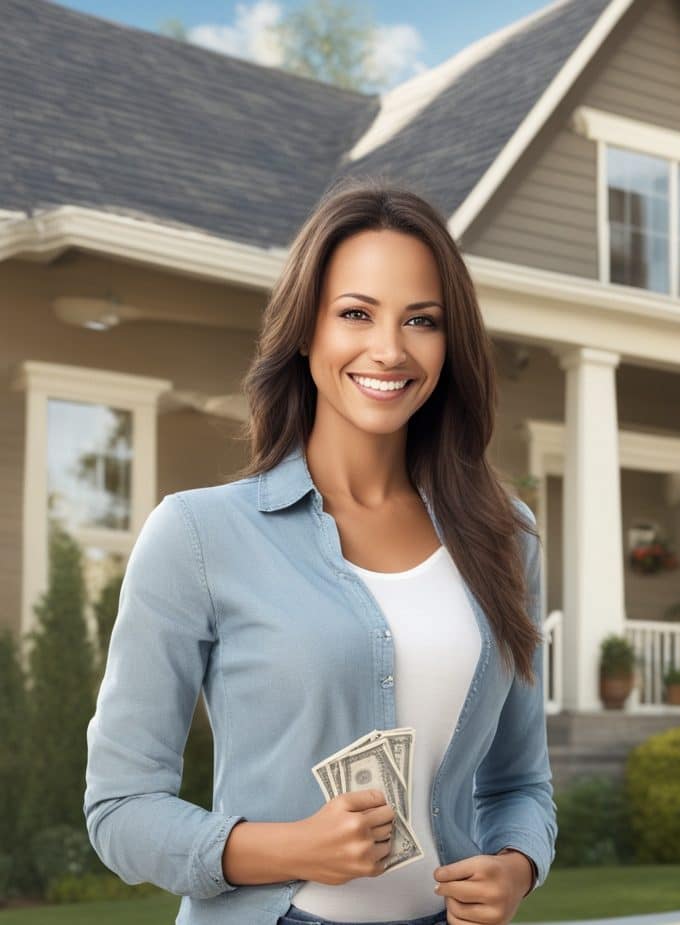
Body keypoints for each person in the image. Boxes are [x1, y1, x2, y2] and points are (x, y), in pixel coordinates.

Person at [84, 175, 557, 925]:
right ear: (307, 329)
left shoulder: (507, 538)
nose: (389, 349)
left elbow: (519, 782)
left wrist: (515, 868)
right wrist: (289, 847)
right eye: (356, 313)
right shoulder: (199, 536)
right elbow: (120, 808)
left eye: (421, 320)